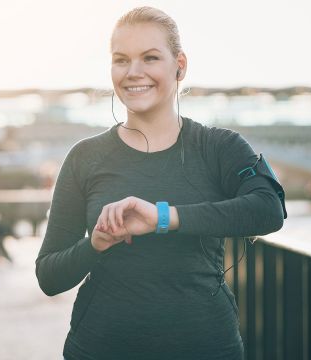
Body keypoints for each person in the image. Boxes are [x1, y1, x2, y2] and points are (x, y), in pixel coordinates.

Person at [35, 6, 287, 359]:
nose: (133, 72)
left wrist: (163, 218)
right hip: (101, 348)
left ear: (180, 65)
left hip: (206, 347)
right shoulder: (84, 157)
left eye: (150, 58)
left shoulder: (220, 147)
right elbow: (49, 276)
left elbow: (269, 209)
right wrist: (95, 243)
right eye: (121, 60)